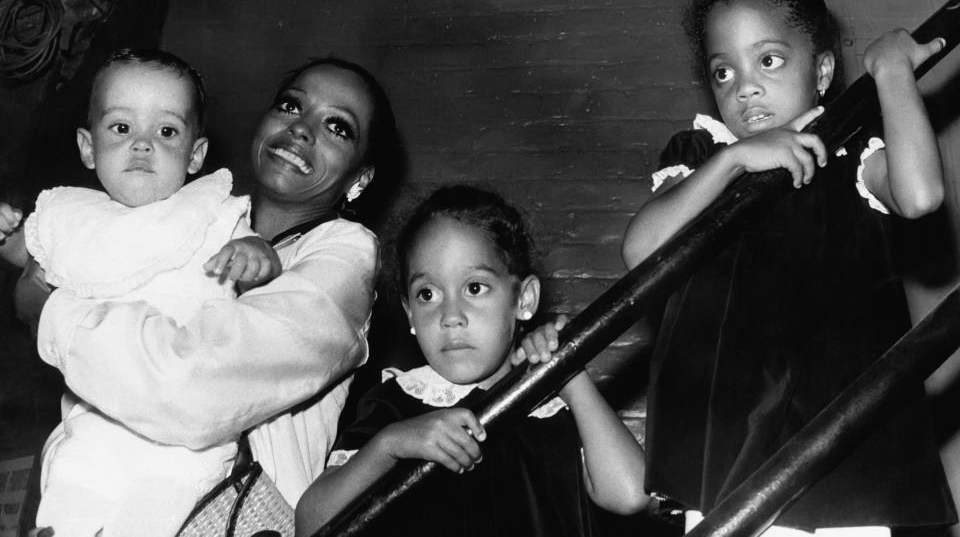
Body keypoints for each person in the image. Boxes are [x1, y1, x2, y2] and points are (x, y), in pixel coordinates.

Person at [621, 0, 956, 534]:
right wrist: (733, 162)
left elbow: (921, 196)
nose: (746, 90)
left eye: (769, 61)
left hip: (844, 445)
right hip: (729, 445)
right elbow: (640, 251)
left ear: (821, 73)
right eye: (724, 73)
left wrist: (894, 75)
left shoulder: (851, 151)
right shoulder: (703, 157)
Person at [9, 55, 399, 532]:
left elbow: (190, 389)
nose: (301, 129)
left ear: (360, 178)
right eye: (290, 106)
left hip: (227, 512)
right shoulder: (185, 215)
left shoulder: (345, 251)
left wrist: (51, 313)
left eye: (338, 126)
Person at [0, 48, 283, 536]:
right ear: (88, 148)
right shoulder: (72, 216)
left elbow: (260, 267)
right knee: (71, 500)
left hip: (184, 440)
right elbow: (29, 256)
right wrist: (6, 235)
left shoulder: (213, 214)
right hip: (97, 422)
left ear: (195, 155)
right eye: (121, 128)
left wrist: (258, 254)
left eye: (167, 131)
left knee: (153, 517)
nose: (143, 145)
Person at [296, 185, 650, 536]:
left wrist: (569, 374)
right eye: (427, 294)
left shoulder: (554, 408)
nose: (451, 316)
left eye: (475, 288)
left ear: (524, 299)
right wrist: (388, 446)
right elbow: (310, 522)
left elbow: (631, 494)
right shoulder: (396, 403)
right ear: (409, 315)